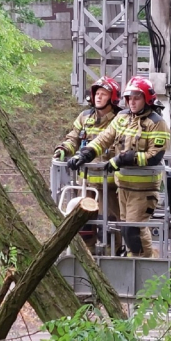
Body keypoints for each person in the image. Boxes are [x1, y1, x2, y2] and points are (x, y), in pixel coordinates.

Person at [67, 77, 170, 257]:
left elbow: (155, 156)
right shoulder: (122, 117)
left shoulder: (157, 122)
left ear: (147, 99)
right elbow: (104, 139)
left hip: (143, 189)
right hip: (122, 186)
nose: (132, 102)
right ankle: (133, 262)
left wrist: (125, 159)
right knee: (125, 229)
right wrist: (85, 154)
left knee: (133, 230)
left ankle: (145, 264)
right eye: (129, 98)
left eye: (137, 98)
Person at [53, 76, 122, 250]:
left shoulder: (120, 119)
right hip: (85, 184)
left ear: (113, 97)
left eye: (104, 94)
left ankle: (113, 254)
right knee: (84, 227)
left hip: (109, 186)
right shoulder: (84, 117)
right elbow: (73, 138)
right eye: (97, 93)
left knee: (109, 225)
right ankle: (87, 256)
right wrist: (64, 149)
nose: (99, 96)